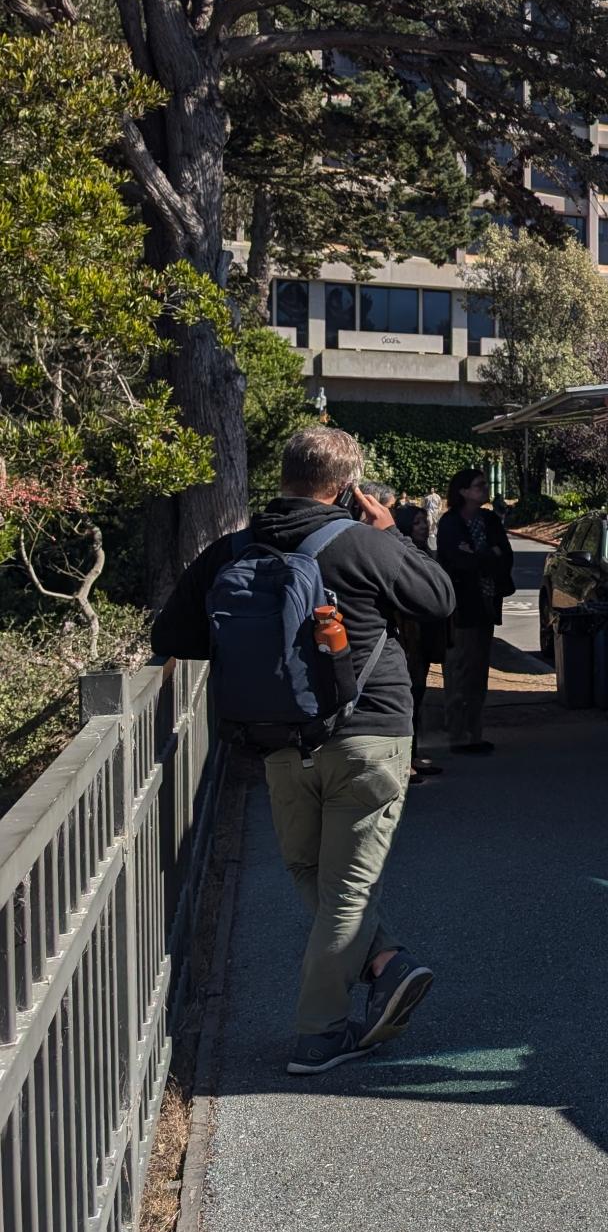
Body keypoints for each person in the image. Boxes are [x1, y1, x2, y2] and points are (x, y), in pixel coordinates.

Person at [151, 427, 455, 1075]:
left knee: (306, 869)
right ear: (346, 489)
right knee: (344, 888)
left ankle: (383, 962)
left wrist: (266, 657)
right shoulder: (364, 543)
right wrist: (392, 531)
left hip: (278, 737)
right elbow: (439, 600)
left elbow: (175, 631)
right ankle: (321, 1032)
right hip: (369, 733)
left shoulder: (232, 549)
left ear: (283, 476)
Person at [435, 467, 513, 756]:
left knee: (479, 672)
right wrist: (485, 556)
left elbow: (505, 556)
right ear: (463, 491)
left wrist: (478, 555)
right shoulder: (450, 523)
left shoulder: (490, 520)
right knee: (458, 671)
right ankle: (458, 735)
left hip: (486, 605)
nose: (484, 490)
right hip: (461, 608)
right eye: (479, 486)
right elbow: (455, 560)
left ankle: (474, 733)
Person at [392, 503, 450, 786]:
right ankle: (405, 761)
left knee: (418, 696)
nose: (424, 526)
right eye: (416, 523)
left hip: (425, 637)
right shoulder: (404, 555)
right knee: (408, 699)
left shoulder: (425, 552)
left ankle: (413, 755)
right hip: (408, 638)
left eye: (424, 521)